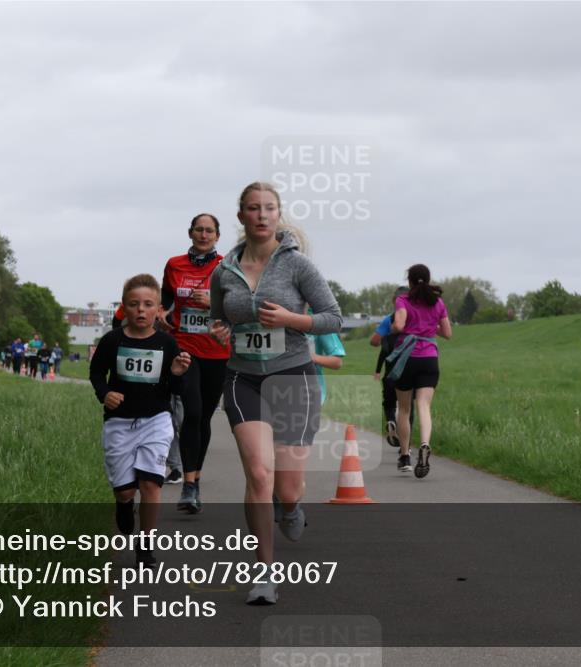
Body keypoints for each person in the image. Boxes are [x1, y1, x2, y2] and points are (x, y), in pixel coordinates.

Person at [209, 182, 342, 605]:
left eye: (269, 208)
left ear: (278, 215)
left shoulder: (298, 266)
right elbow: (219, 317)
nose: (262, 215)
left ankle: (291, 509)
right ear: (241, 216)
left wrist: (291, 319)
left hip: (292, 377)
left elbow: (332, 319)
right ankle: (264, 573)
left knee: (287, 488)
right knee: (259, 475)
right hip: (242, 378)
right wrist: (221, 330)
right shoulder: (223, 271)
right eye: (253, 208)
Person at [89, 274, 191, 567]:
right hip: (119, 423)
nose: (141, 311)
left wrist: (177, 373)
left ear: (159, 309)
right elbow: (96, 374)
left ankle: (145, 546)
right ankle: (123, 505)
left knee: (150, 485)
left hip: (156, 421)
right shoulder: (112, 341)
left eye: (148, 305)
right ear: (124, 307)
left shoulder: (166, 343)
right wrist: (105, 393)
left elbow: (175, 391)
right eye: (134, 305)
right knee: (126, 490)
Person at [159, 213, 230, 514]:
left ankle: (195, 480)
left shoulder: (227, 266)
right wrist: (162, 315)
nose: (203, 235)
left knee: (203, 419)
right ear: (190, 233)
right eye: (199, 230)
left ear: (217, 236)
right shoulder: (174, 264)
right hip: (184, 346)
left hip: (216, 351)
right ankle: (188, 486)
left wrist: (212, 304)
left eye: (209, 231)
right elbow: (165, 300)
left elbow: (238, 306)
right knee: (193, 410)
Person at [388, 264, 452, 478]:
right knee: (424, 405)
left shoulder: (403, 300)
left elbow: (399, 324)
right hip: (429, 359)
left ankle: (405, 454)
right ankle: (425, 444)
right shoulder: (437, 302)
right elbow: (447, 333)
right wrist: (428, 326)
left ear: (409, 281)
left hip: (407, 358)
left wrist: (398, 328)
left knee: (404, 409)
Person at [370, 287, 414, 448]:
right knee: (408, 407)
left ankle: (390, 421)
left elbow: (375, 342)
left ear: (393, 301)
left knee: (389, 403)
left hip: (390, 371)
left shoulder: (388, 320)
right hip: (410, 369)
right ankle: (406, 448)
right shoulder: (415, 319)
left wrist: (387, 336)